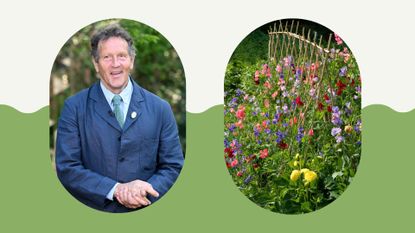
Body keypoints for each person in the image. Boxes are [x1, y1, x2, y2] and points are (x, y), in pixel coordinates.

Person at [55, 24, 184, 213]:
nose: (115, 64)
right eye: (107, 57)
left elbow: (173, 166)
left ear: (131, 60)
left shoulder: (160, 108)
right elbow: (67, 168)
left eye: (122, 56)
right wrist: (116, 190)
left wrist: (144, 191)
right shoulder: (74, 108)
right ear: (95, 63)